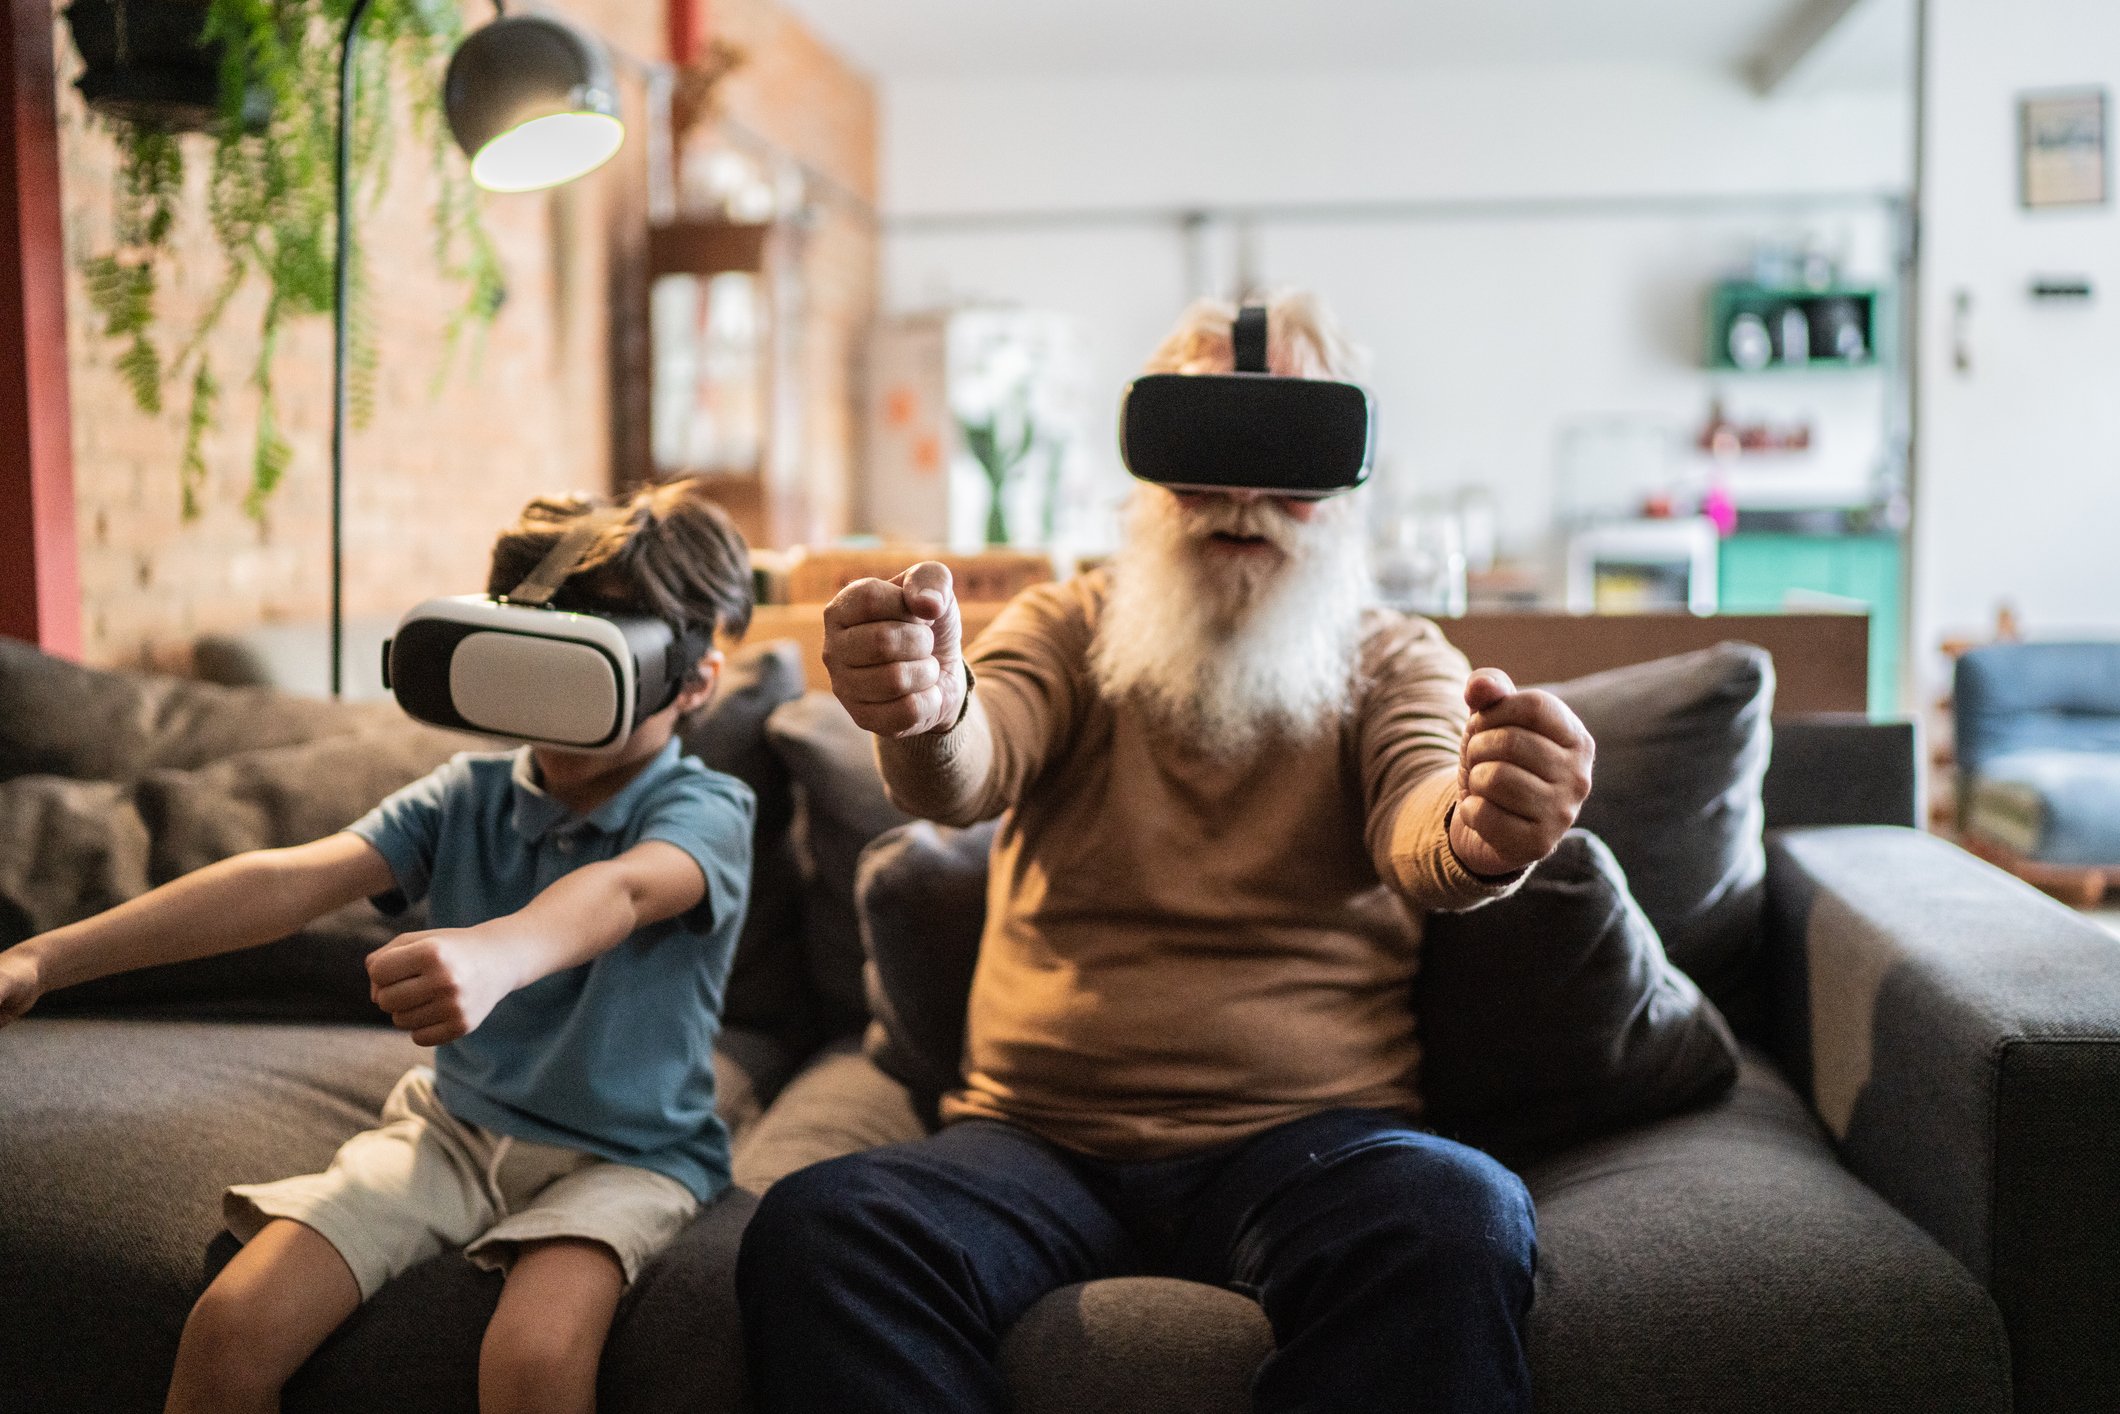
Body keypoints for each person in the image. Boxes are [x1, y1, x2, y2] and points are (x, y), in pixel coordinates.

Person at [737, 292, 1596, 1413]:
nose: (1241, 495)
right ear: (1145, 465)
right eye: (1201, 451)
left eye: (1284, 455)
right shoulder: (1067, 624)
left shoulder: (1396, 660)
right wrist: (922, 707)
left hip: (1314, 1141)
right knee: (820, 1232)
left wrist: (1484, 831)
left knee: (1458, 1217)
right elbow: (969, 762)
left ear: (1345, 479)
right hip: (1034, 1140)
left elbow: (1420, 822)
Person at [0, 480, 757, 1414]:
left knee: (532, 1360)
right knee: (230, 1328)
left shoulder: (707, 810)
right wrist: (47, 957)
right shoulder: (469, 794)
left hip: (627, 1154)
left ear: (693, 681)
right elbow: (286, 882)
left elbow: (625, 889)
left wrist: (497, 955)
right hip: (450, 1131)